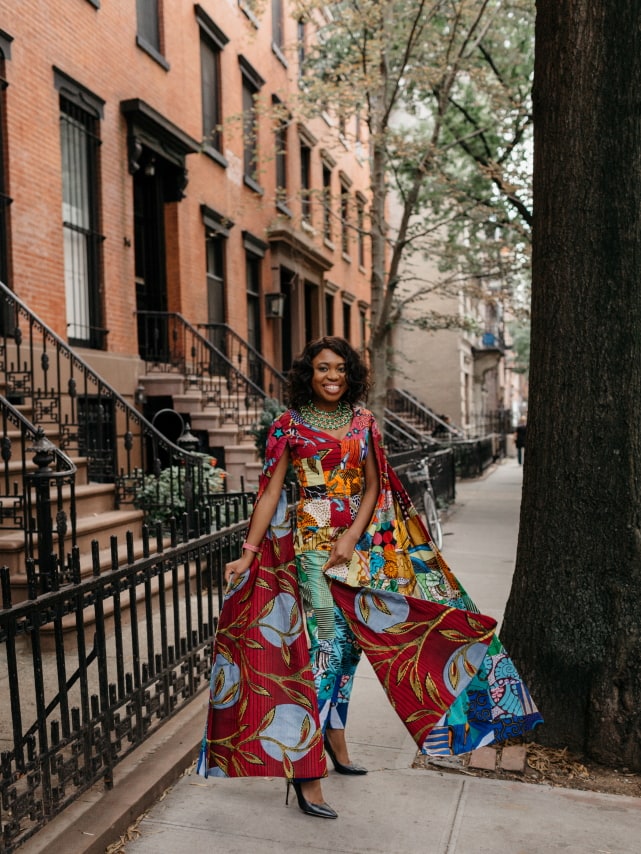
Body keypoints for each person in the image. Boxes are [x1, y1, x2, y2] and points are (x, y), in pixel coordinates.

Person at [197, 337, 542, 819]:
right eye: (322, 368)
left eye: (339, 368)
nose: (331, 376)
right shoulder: (289, 426)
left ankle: (336, 740)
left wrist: (351, 536)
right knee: (327, 647)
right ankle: (306, 769)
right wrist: (249, 552)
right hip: (314, 542)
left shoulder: (364, 422)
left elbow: (375, 484)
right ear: (308, 374)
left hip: (367, 545)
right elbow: (273, 494)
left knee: (355, 647)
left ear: (350, 374)